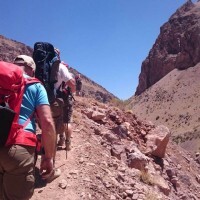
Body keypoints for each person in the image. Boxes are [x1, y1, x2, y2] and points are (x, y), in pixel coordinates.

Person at [0, 55, 56, 200]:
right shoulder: (35, 85)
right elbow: (47, 122)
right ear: (31, 69)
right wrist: (48, 157)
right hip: (19, 148)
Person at [51, 48, 76, 150]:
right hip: (65, 99)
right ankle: (68, 144)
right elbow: (72, 85)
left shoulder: (44, 68)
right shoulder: (62, 69)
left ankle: (56, 141)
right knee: (67, 121)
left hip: (51, 99)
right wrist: (73, 92)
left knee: (54, 121)